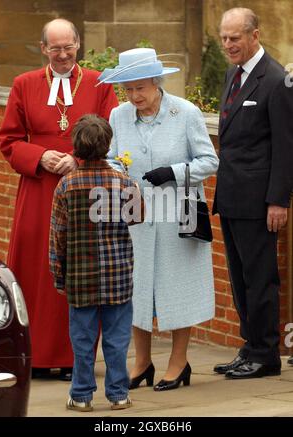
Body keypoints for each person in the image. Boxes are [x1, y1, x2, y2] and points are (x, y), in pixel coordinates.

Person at [0, 18, 118, 380]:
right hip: (38, 190)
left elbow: (113, 131)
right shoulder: (25, 84)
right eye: (55, 48)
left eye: (68, 47)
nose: (63, 54)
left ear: (78, 45)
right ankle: (32, 355)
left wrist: (79, 159)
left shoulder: (99, 83)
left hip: (83, 187)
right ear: (43, 48)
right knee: (35, 267)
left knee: (78, 269)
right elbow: (8, 141)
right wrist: (39, 156)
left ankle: (72, 359)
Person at [98, 47, 219, 391]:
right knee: (136, 289)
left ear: (156, 82)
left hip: (179, 215)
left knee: (179, 287)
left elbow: (210, 162)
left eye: (141, 88)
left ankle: (179, 363)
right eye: (128, 89)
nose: (134, 96)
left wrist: (175, 171)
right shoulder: (118, 116)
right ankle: (142, 361)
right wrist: (119, 173)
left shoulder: (186, 113)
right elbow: (108, 159)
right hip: (135, 216)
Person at [213, 8, 293, 379]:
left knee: (260, 279)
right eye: (224, 38)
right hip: (231, 197)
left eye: (235, 38)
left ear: (255, 36)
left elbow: (285, 145)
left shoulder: (276, 80)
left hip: (260, 201)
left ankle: (265, 354)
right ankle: (249, 348)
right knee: (240, 277)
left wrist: (278, 199)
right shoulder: (234, 73)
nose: (228, 44)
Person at [49, 114, 143, 411]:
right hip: (117, 276)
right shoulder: (123, 181)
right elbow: (136, 217)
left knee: (83, 339)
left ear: (75, 146)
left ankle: (81, 395)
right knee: (117, 339)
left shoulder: (66, 185)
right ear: (108, 145)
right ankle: (118, 394)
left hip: (80, 275)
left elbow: (58, 236)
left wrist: (58, 274)